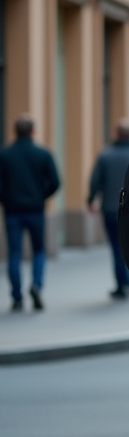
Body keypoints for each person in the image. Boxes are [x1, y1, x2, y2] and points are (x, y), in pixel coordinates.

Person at [0, 116, 60, 312]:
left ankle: (17, 297)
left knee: (14, 253)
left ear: (14, 131)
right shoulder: (42, 153)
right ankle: (36, 285)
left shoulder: (5, 154)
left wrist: (6, 199)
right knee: (39, 250)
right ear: (33, 131)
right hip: (35, 210)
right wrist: (41, 196)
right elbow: (55, 181)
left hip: (12, 211)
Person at [89, 120, 129, 299]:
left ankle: (122, 284)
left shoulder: (105, 155)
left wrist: (91, 199)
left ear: (116, 134)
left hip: (110, 209)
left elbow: (95, 181)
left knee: (116, 247)